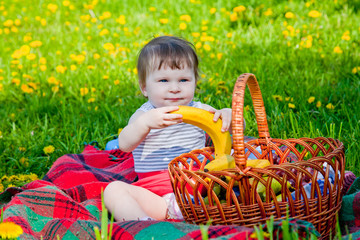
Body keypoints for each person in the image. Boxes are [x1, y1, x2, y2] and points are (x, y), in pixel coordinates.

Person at [103, 35, 232, 221]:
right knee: (113, 190)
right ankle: (147, 227)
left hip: (201, 188)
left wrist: (228, 114)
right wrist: (144, 124)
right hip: (158, 197)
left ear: (195, 82)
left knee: (238, 164)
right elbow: (124, 144)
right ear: (144, 87)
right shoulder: (144, 115)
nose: (174, 88)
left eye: (184, 80)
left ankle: (208, 212)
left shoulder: (200, 110)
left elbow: (231, 129)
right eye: (163, 81)